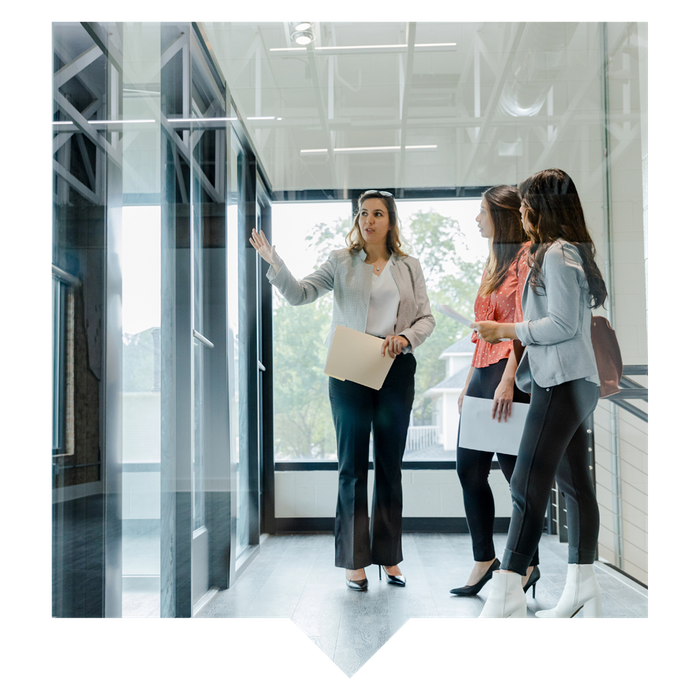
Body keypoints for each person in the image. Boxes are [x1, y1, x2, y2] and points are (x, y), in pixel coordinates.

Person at [250, 190, 435, 591]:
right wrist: (275, 264)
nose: (368, 219)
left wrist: (404, 338)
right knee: (352, 466)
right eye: (363, 213)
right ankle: (354, 561)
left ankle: (389, 557)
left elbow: (426, 318)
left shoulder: (409, 266)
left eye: (377, 213)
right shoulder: (340, 261)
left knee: (390, 467)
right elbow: (299, 294)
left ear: (391, 221)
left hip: (396, 368)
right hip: (351, 370)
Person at [471, 169, 608, 620]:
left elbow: (563, 325)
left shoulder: (556, 253)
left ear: (541, 208)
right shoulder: (566, 252)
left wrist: (504, 328)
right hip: (572, 381)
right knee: (574, 486)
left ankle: (507, 590)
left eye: (528, 203)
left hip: (561, 382)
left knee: (526, 485)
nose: (524, 211)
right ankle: (582, 590)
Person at [449, 185, 540, 598]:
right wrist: (468, 383)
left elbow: (520, 323)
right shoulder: (493, 262)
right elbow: (481, 332)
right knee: (468, 468)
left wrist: (508, 379)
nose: (476, 219)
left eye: (481, 212)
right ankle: (484, 558)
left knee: (512, 475)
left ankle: (528, 562)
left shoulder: (525, 258)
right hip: (482, 374)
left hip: (509, 376)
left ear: (499, 216)